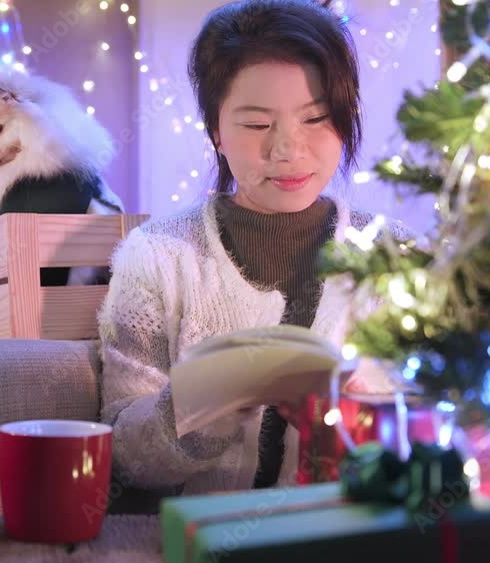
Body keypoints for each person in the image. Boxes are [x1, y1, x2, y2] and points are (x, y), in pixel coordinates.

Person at [98, 0, 410, 496]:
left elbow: (445, 420)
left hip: (352, 526)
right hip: (199, 531)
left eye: (316, 118)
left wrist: (363, 416)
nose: (286, 149)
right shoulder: (158, 255)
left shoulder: (393, 254)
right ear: (217, 132)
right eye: (258, 125)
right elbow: (124, 458)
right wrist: (206, 404)